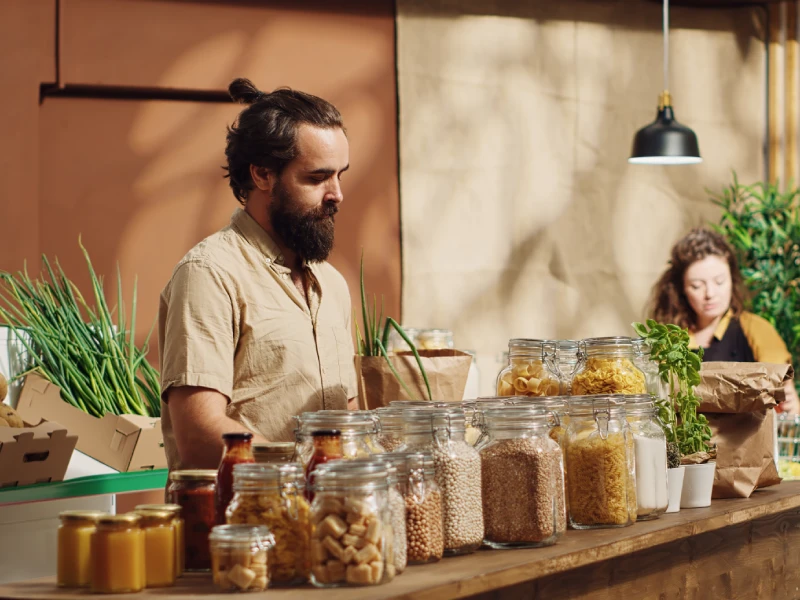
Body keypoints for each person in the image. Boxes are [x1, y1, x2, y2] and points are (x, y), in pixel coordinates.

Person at [158, 78, 358, 470]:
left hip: (329, 508)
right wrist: (302, 471)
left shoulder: (332, 284)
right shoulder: (209, 275)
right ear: (263, 175)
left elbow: (347, 416)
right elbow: (198, 435)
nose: (337, 194)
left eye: (340, 175)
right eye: (317, 178)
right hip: (241, 508)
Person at [649, 227, 799, 415]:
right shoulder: (671, 340)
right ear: (682, 289)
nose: (710, 294)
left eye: (719, 281)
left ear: (732, 280)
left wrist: (788, 403)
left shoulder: (756, 329)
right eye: (697, 286)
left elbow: (786, 400)